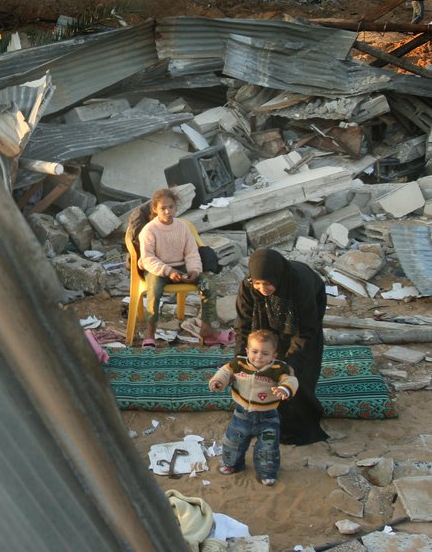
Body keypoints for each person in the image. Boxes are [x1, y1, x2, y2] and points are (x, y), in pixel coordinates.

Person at [234, 248, 329, 446]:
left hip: (307, 307)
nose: (262, 288)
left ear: (277, 277)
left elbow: (305, 332)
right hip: (265, 312)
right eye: (258, 283)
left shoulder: (299, 283)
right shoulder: (249, 286)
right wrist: (241, 359)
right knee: (263, 356)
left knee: (295, 373)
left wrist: (290, 365)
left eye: (268, 283)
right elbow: (243, 325)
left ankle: (295, 420)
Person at [209, 329, 298, 486]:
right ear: (247, 351)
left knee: (268, 448)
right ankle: (233, 464)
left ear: (274, 355)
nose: (259, 357)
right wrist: (218, 381)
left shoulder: (278, 369)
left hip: (268, 417)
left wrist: (284, 389)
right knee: (233, 442)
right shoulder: (239, 364)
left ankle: (267, 473)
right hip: (241, 415)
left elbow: (291, 380)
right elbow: (225, 371)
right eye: (255, 351)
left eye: (265, 353)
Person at [138, 188, 224, 348]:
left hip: (182, 266)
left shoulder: (183, 227)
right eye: (163, 208)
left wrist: (194, 270)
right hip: (158, 269)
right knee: (154, 290)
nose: (167, 211)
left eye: (171, 207)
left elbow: (192, 252)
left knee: (208, 283)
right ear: (155, 209)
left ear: (176, 207)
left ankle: (206, 328)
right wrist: (168, 271)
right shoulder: (149, 230)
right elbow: (147, 258)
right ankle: (150, 332)